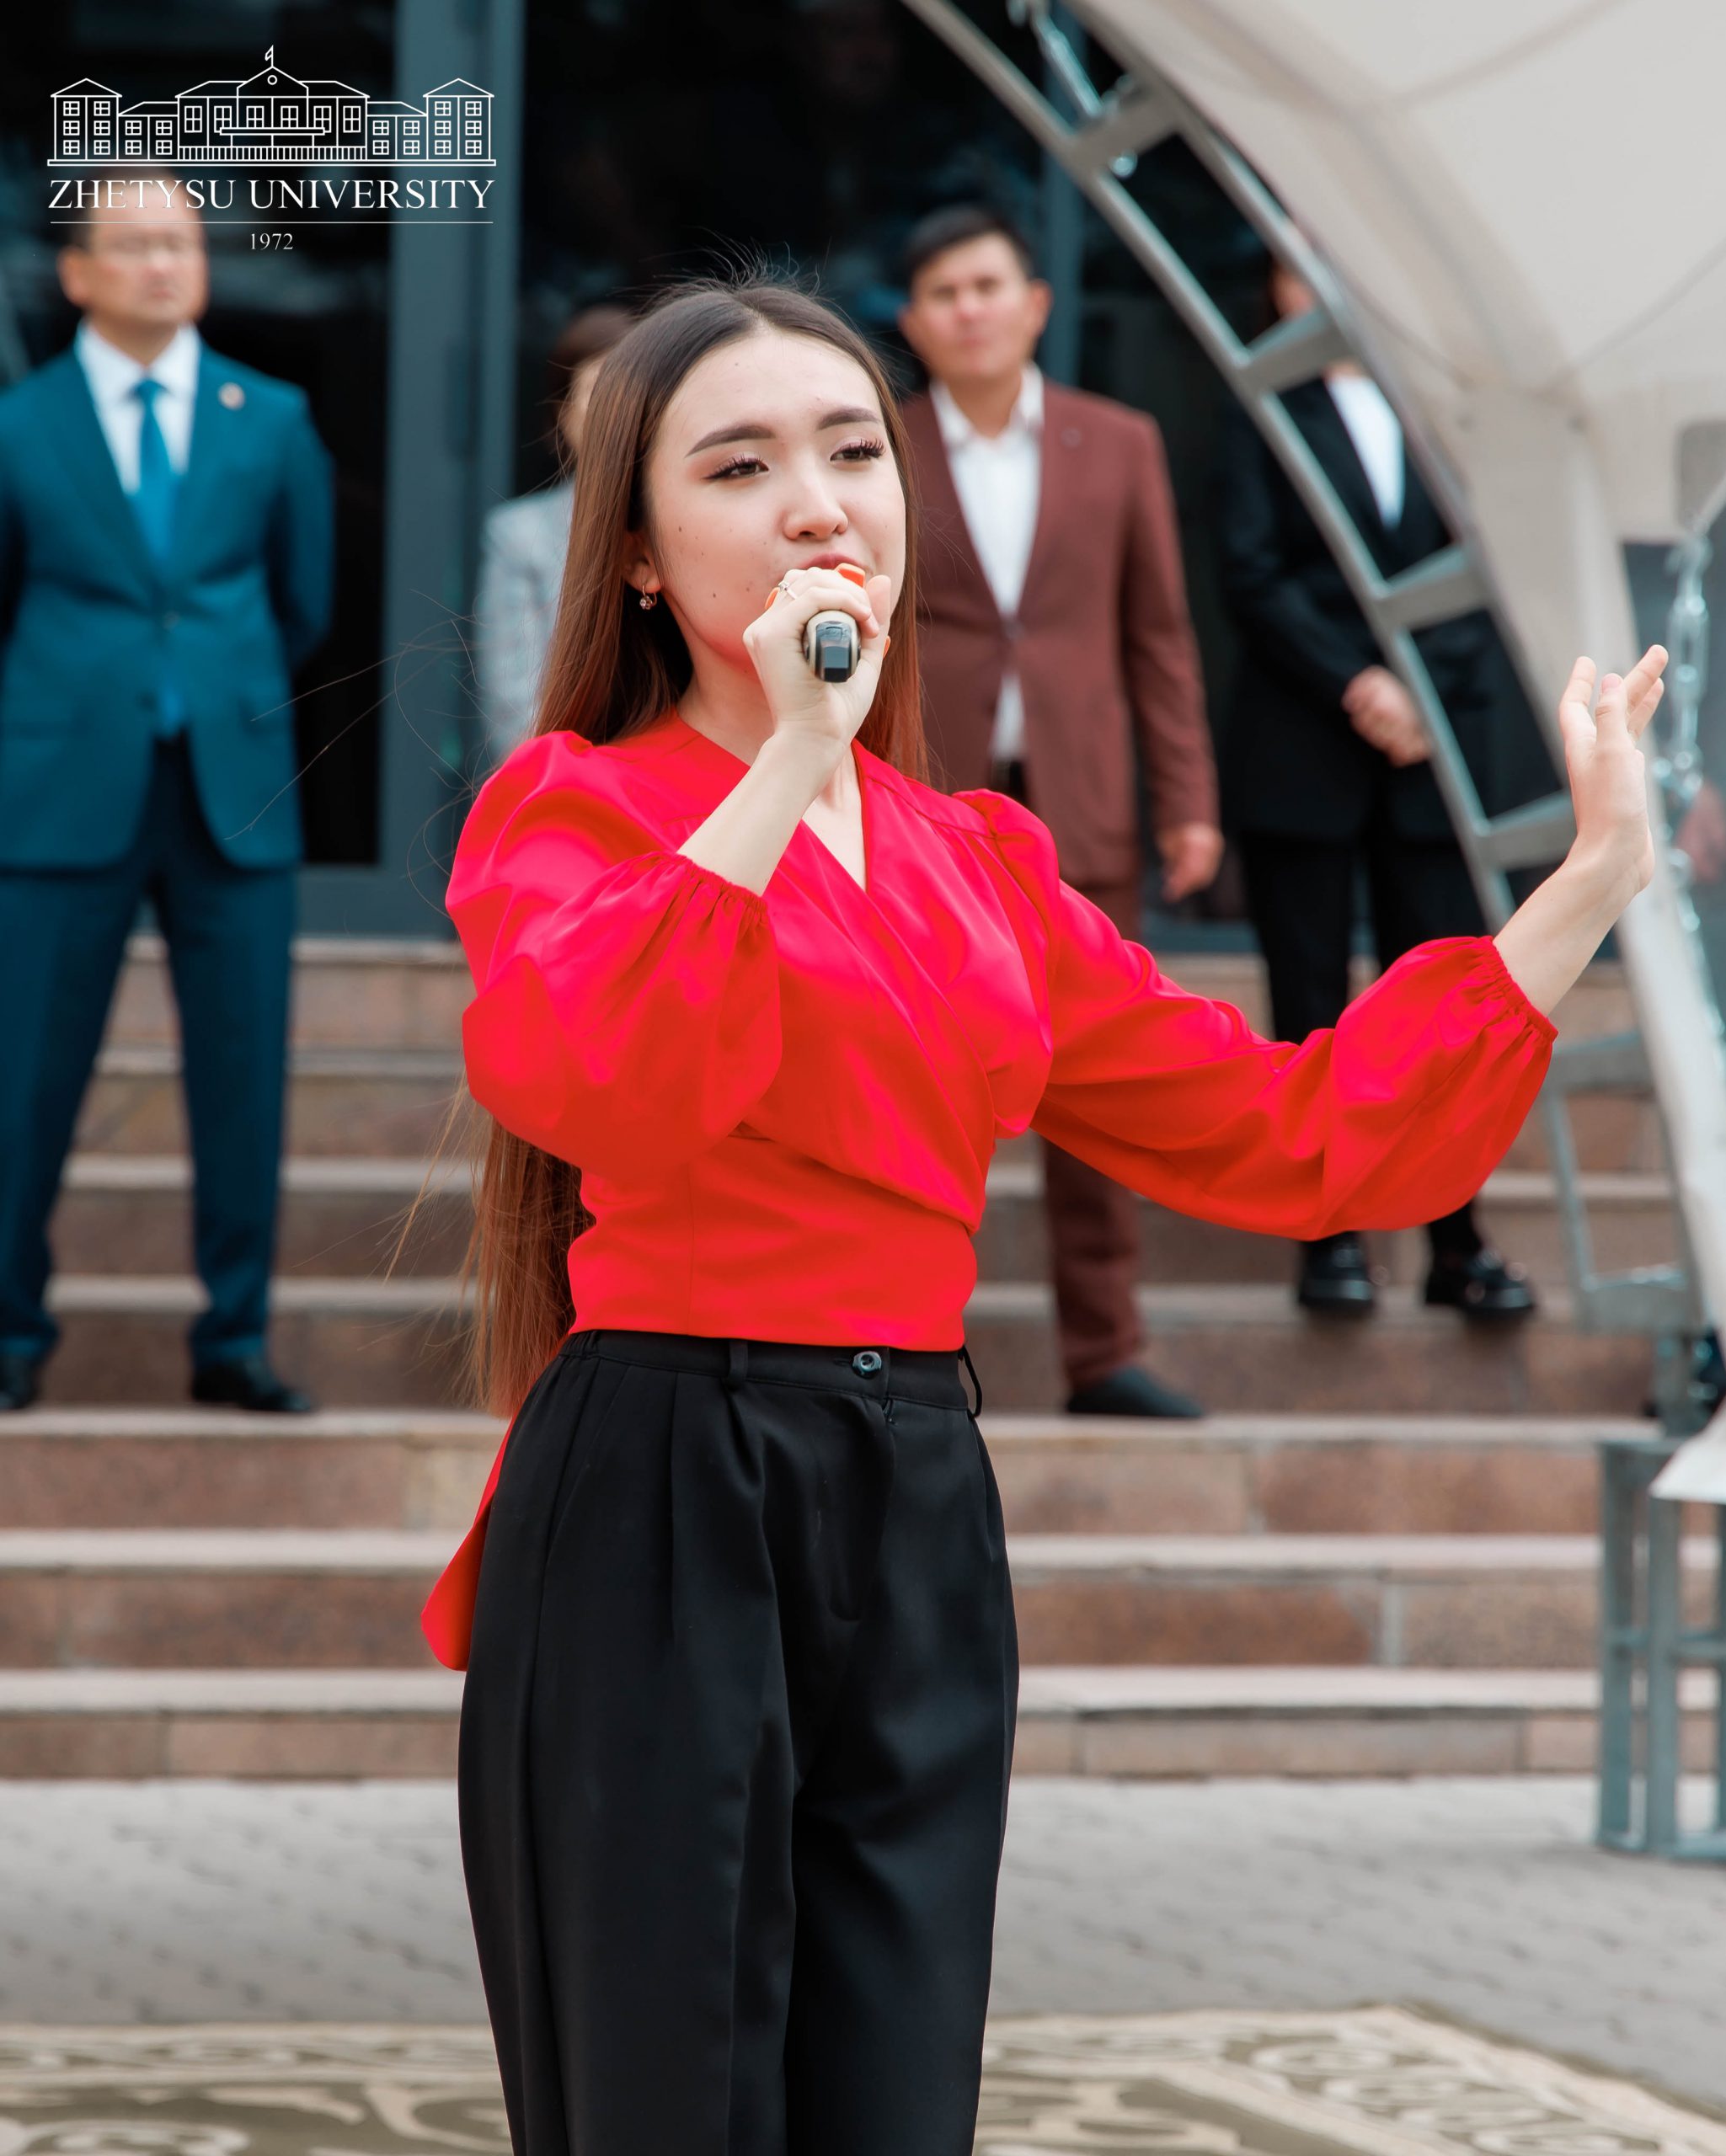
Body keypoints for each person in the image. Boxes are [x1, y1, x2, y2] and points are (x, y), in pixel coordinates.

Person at [418, 271, 1662, 2156]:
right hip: (667, 1484)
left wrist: (1588, 879)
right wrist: (793, 754)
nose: (816, 503)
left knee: (896, 2093)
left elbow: (1288, 1133)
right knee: (664, 2095)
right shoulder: (571, 809)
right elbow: (596, 1072)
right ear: (644, 562)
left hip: (913, 1485)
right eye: (739, 468)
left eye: (852, 451)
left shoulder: (979, 862)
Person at [0, 176, 333, 1415]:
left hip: (230, 790)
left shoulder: (274, 415)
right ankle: (10, 1334)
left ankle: (234, 1340)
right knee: (23, 1075)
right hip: (57, 789)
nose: (160, 264)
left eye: (180, 243)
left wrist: (214, 690)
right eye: (131, 244)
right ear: (76, 273)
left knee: (243, 1078)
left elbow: (304, 603)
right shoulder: (20, 424)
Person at [896, 203, 1224, 1421]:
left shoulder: (1118, 442)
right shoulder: (877, 443)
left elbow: (1160, 637)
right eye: (943, 293)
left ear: (1036, 304)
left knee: (1092, 1077)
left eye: (988, 286)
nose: (969, 310)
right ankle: (905, 1339)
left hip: (1079, 806)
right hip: (923, 808)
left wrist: (1187, 802)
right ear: (913, 324)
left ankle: (1106, 1354)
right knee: (915, 1075)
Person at [1216, 254, 1550, 1320]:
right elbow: (1250, 572)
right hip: (1303, 734)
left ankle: (1457, 1241)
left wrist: (1418, 688)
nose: (1324, 283)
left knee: (1446, 1010)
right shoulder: (1262, 402)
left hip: (1433, 747)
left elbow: (1492, 563)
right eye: (1297, 266)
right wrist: (1359, 683)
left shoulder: (1445, 402)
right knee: (1309, 1005)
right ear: (1273, 285)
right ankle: (1327, 1240)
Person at [473, 302, 633, 764]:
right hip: (571, 784)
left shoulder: (700, 522)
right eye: (599, 394)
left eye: (632, 396)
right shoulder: (519, 534)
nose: (617, 416)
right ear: (564, 413)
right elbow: (515, 710)